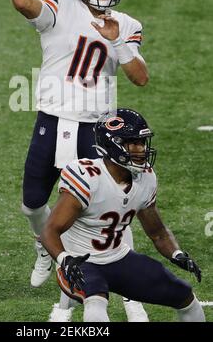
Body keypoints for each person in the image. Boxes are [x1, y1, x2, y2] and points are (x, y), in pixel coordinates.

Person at [0, 0, 149, 320]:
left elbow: (140, 77)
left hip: (96, 129)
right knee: (32, 204)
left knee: (107, 207)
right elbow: (24, 4)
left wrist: (116, 42)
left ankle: (130, 296)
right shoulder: (61, 6)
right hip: (52, 119)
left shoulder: (127, 24)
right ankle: (46, 247)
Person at [41, 108, 205, 322]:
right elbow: (49, 230)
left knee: (184, 296)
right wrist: (65, 259)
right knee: (96, 304)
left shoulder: (146, 178)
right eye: (133, 143)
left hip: (118, 258)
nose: (141, 149)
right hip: (80, 262)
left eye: (142, 142)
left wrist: (177, 254)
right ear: (113, 144)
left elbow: (157, 232)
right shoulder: (88, 178)